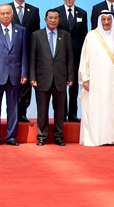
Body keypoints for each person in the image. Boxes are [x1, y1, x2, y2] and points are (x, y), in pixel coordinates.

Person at [78, 11, 114, 146]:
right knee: (97, 110)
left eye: (109, 19)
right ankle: (98, 138)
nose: (106, 22)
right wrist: (85, 79)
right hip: (96, 82)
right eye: (104, 20)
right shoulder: (91, 36)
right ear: (99, 21)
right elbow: (84, 59)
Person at [0, 4, 27, 146]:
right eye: (2, 13)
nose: (5, 16)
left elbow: (24, 54)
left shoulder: (21, 30)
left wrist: (24, 72)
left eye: (8, 13)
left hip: (15, 74)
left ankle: (11, 137)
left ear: (12, 14)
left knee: (13, 108)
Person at [30, 9, 74, 146]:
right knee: (42, 110)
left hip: (60, 78)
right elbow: (32, 58)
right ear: (45, 19)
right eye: (50, 18)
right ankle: (42, 136)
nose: (53, 20)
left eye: (55, 18)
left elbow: (70, 58)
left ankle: (58, 136)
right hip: (42, 78)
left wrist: (70, 76)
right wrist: (32, 77)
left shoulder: (65, 36)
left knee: (60, 111)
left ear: (59, 20)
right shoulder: (36, 35)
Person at [8, 0, 40, 123]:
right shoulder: (6, 9)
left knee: (26, 84)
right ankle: (12, 112)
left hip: (28, 53)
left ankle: (22, 112)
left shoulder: (34, 11)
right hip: (10, 53)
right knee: (11, 83)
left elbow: (36, 34)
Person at [54, 0, 87, 122]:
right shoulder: (56, 12)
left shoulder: (82, 13)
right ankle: (61, 114)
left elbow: (84, 36)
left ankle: (73, 114)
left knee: (74, 86)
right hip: (60, 55)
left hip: (76, 55)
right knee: (61, 86)